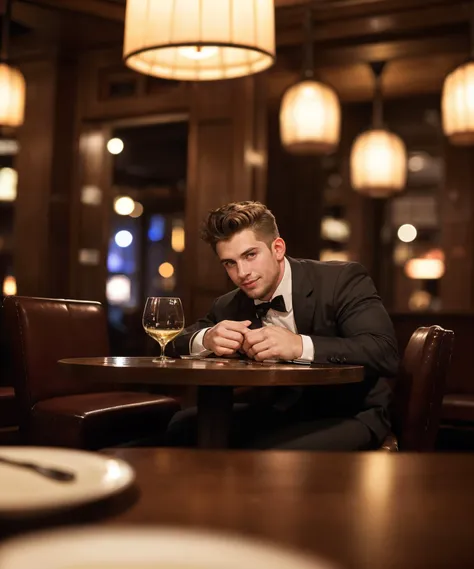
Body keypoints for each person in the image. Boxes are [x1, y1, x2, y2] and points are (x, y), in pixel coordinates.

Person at [167, 201, 399, 450]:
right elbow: (172, 342)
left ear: (277, 248)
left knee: (269, 454)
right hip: (281, 412)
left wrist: (299, 346)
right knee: (183, 426)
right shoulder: (231, 304)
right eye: (229, 263)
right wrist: (206, 338)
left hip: (350, 412)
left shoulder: (341, 280)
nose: (242, 273)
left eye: (250, 255)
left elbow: (384, 352)